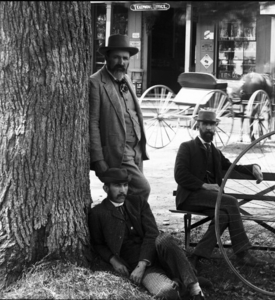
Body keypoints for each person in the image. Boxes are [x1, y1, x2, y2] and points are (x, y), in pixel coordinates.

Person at [88, 168, 209, 300]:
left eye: (125, 185)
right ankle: (180, 281)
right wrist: (113, 260)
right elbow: (98, 244)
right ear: (106, 188)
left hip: (157, 253)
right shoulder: (98, 213)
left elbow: (152, 233)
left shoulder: (138, 202)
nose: (123, 190)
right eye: (117, 186)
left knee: (165, 239)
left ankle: (195, 289)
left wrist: (142, 264)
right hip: (139, 266)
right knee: (167, 292)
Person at [174, 109, 266, 270]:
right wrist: (204, 185)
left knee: (223, 216)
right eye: (205, 124)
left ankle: (196, 257)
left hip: (209, 201)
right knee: (230, 201)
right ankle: (242, 253)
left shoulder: (215, 152)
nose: (209, 128)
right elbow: (179, 174)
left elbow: (232, 167)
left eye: (212, 124)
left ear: (216, 126)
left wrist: (253, 167)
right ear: (198, 125)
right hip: (189, 197)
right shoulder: (187, 147)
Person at [89, 34, 150, 202]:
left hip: (135, 149)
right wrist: (98, 159)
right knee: (142, 189)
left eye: (125, 58)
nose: (121, 62)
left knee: (127, 194)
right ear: (107, 57)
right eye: (116, 57)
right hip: (117, 152)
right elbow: (93, 124)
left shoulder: (128, 79)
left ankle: (126, 226)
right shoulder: (95, 83)